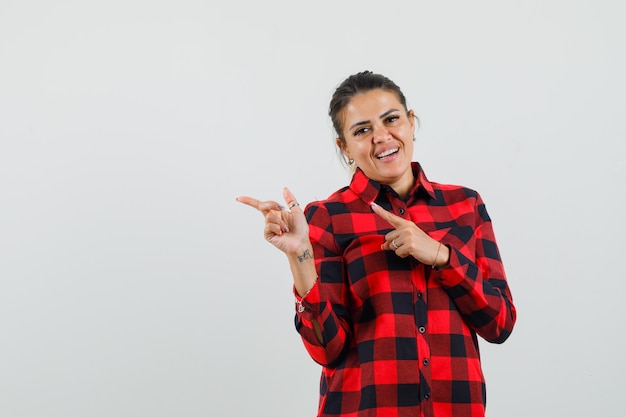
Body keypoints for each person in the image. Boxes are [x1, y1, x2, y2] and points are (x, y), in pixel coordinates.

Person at [236, 71, 516, 417]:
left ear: (411, 123)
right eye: (362, 130)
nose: (382, 137)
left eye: (392, 119)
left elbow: (499, 324)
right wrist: (300, 257)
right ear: (345, 147)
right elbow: (328, 351)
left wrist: (441, 256)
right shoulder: (327, 217)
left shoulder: (465, 206)